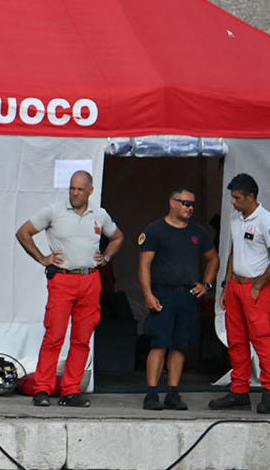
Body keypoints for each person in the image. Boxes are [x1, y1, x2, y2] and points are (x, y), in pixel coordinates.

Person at [16, 170, 122, 407]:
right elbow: (23, 232)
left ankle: (71, 390)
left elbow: (118, 237)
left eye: (80, 189)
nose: (74, 193)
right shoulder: (54, 211)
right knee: (54, 335)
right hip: (63, 280)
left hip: (90, 279)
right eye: (72, 188)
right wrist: (42, 258)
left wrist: (106, 257)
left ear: (90, 191)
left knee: (82, 338)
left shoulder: (100, 214)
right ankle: (42, 388)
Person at [136, 187, 217, 411]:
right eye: (184, 203)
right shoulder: (155, 230)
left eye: (192, 204)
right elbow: (144, 265)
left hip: (188, 296)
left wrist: (206, 284)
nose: (189, 208)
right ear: (172, 203)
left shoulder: (198, 233)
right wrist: (147, 294)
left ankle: (173, 392)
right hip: (163, 293)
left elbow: (213, 258)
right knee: (159, 343)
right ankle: (151, 393)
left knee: (180, 346)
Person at [212, 173, 270, 413]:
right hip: (235, 286)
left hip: (255, 287)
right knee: (236, 340)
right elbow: (234, 251)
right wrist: (226, 283)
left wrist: (259, 286)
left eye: (237, 198)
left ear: (251, 197)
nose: (233, 202)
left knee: (261, 340)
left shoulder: (266, 220)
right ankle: (239, 391)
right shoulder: (236, 217)